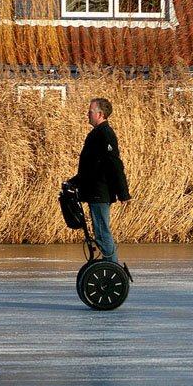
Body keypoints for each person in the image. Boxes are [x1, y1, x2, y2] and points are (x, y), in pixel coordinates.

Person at [67, 98, 131, 263]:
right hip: (94, 190)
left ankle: (112, 267)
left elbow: (115, 164)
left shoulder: (106, 134)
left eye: (90, 111)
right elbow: (91, 167)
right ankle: (109, 265)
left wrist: (123, 193)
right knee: (99, 230)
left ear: (100, 114)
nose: (88, 114)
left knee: (102, 232)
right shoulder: (96, 134)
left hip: (100, 192)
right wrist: (74, 182)